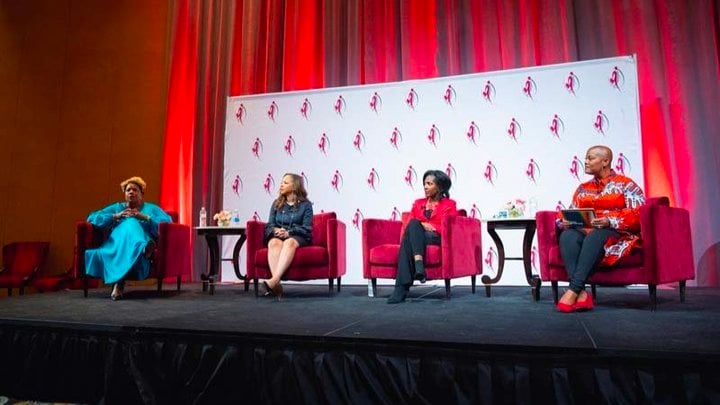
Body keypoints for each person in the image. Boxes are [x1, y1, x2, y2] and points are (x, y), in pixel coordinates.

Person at [556, 145, 645, 312]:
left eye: (591, 158)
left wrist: (609, 221)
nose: (586, 162)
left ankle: (573, 289)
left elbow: (639, 213)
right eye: (586, 158)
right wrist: (565, 221)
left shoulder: (626, 185)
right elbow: (569, 211)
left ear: (605, 162)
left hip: (616, 231)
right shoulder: (582, 188)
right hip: (586, 230)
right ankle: (581, 294)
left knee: (595, 236)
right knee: (568, 235)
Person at [85, 176, 172, 300]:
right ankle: (143, 248)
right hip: (116, 243)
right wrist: (115, 216)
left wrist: (146, 217)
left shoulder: (151, 208)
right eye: (128, 190)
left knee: (132, 222)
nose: (131, 192)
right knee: (129, 222)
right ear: (125, 194)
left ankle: (119, 284)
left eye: (135, 190)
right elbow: (92, 218)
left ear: (142, 193)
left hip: (134, 242)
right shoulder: (117, 208)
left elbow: (167, 222)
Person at [387, 170, 458, 304]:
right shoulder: (418, 203)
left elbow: (449, 228)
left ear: (440, 187)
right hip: (418, 237)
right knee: (413, 226)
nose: (425, 187)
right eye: (424, 183)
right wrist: (422, 225)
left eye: (429, 184)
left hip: (436, 237)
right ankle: (418, 268)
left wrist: (430, 226)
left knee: (412, 231)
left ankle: (400, 288)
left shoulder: (449, 205)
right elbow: (411, 224)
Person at [262, 173, 313, 299]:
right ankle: (276, 283)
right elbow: (270, 225)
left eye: (285, 183)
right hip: (278, 235)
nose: (281, 185)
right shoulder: (276, 203)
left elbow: (307, 228)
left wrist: (289, 232)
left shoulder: (306, 205)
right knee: (273, 243)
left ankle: (273, 281)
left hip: (297, 235)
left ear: (294, 186)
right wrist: (275, 230)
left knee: (289, 242)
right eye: (281, 182)